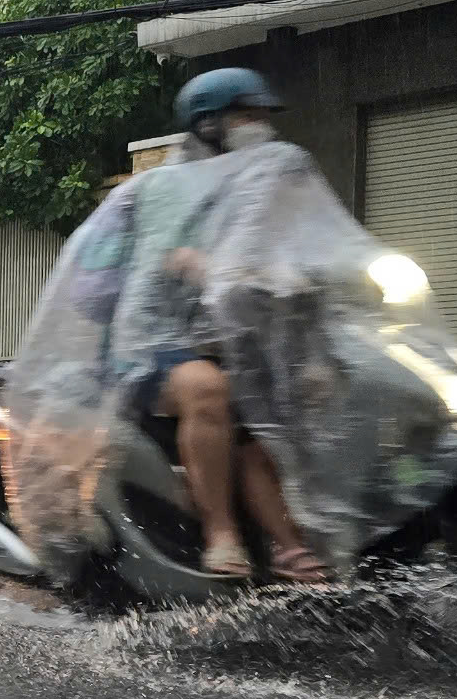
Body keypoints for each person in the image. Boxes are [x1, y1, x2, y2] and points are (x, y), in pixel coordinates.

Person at [119, 68, 325, 583]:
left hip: (223, 342)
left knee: (267, 421)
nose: (262, 125)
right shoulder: (170, 186)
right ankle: (220, 534)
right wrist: (202, 264)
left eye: (262, 115)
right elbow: (168, 254)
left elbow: (292, 245)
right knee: (209, 390)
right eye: (248, 115)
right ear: (209, 124)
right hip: (152, 342)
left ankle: (289, 546)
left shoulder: (260, 183)